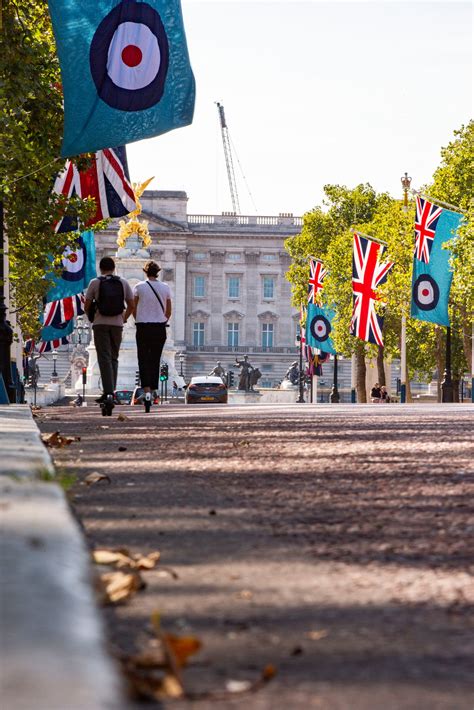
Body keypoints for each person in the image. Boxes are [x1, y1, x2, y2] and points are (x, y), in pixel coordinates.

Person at [84, 256, 134, 404]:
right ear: (114, 268)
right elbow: (131, 305)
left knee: (104, 357)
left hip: (100, 323)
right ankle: (111, 391)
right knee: (114, 358)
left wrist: (91, 317)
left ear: (101, 268)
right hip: (117, 325)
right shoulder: (123, 283)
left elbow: (86, 305)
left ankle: (108, 392)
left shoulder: (95, 283)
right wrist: (124, 318)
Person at [132, 260, 172, 407]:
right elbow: (168, 311)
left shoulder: (139, 287)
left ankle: (147, 389)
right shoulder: (165, 287)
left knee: (143, 359)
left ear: (145, 272)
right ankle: (154, 390)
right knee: (155, 359)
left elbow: (133, 307)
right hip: (159, 328)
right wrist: (161, 320)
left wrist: (139, 319)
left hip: (143, 326)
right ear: (158, 272)